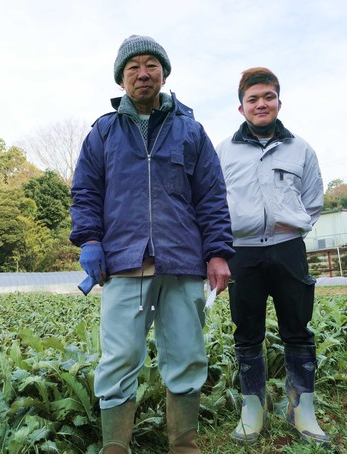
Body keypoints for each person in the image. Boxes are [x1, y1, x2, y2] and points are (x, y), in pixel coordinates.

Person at [69, 35, 234, 454]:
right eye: (133, 68)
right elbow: (85, 191)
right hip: (125, 262)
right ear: (122, 78)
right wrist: (90, 239)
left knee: (186, 354)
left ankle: (184, 444)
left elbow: (211, 196)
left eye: (151, 65)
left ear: (164, 72)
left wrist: (217, 252)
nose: (143, 74)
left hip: (182, 261)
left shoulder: (190, 130)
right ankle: (115, 446)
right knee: (120, 357)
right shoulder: (103, 133)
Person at [215, 67, 328, 445]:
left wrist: (290, 228)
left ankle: (302, 409)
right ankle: (253, 408)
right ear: (241, 107)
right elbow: (215, 202)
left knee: (299, 329)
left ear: (279, 101)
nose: (261, 104)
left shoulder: (301, 149)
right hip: (241, 253)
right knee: (247, 332)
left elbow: (312, 201)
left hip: (287, 250)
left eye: (268, 97)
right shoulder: (224, 151)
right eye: (253, 99)